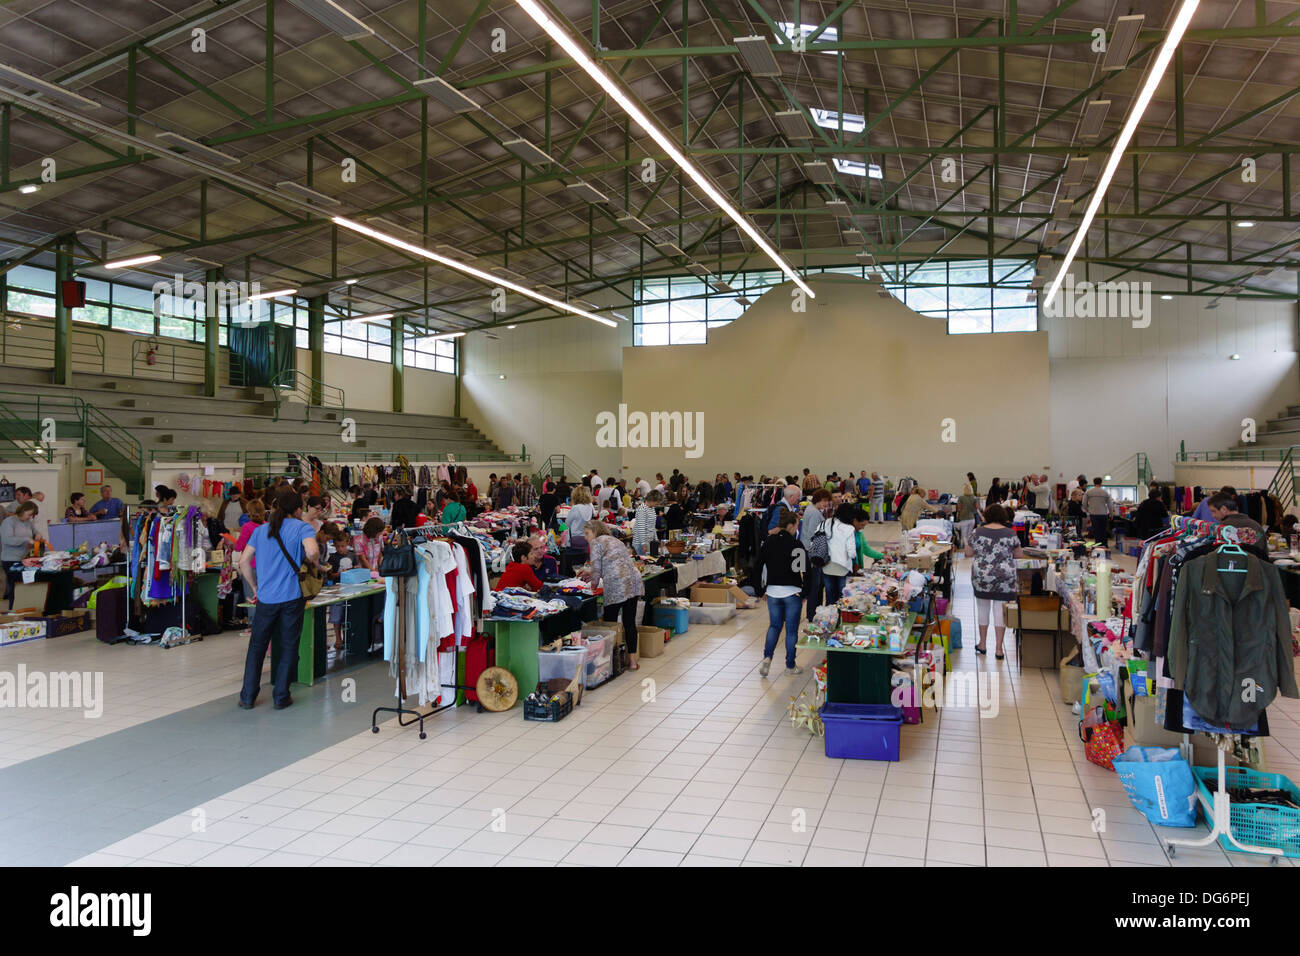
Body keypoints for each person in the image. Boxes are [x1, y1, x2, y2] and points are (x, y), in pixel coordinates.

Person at [237, 490, 319, 710]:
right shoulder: (302, 527)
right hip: (292, 598)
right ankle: (281, 696)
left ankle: (247, 696)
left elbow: (243, 561)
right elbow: (312, 551)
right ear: (298, 509)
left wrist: (255, 586)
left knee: (257, 647)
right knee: (289, 645)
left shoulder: (261, 530)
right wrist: (314, 562)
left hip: (266, 599)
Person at [581, 520, 645, 669]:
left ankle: (609, 663)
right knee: (629, 622)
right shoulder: (616, 540)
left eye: (587, 533)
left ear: (595, 531)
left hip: (617, 584)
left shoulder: (596, 542)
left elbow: (597, 567)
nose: (585, 537)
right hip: (633, 581)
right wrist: (591, 574)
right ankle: (633, 661)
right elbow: (614, 562)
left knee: (610, 624)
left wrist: (592, 585)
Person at [963, 504, 1023, 660]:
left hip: (982, 576)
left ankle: (982, 644)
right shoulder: (1010, 533)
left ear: (987, 515)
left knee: (983, 609)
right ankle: (998, 649)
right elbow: (1019, 555)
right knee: (999, 611)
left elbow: (968, 553)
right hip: (1004, 577)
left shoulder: (977, 532)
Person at [755, 508, 806, 678]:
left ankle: (767, 658)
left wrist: (760, 590)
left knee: (774, 626)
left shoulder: (769, 542)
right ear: (790, 526)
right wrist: (805, 592)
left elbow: (757, 567)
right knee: (791, 631)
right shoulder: (796, 544)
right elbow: (804, 570)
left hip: (772, 592)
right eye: (796, 525)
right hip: (793, 592)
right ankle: (790, 666)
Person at [318, 522, 353, 653]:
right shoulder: (332, 557)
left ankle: (345, 638)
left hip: (349, 589)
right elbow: (330, 575)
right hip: (336, 590)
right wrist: (337, 573)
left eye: (343, 546)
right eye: (337, 546)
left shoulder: (351, 555)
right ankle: (338, 638)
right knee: (336, 615)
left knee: (346, 615)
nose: (340, 549)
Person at [2, 501, 42, 609]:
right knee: (15, 588)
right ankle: (13, 610)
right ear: (23, 511)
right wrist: (26, 540)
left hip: (25, 559)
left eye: (32, 516)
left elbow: (36, 532)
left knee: (26, 587)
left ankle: (27, 609)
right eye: (29, 514)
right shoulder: (9, 522)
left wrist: (38, 535)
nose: (30, 517)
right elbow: (7, 540)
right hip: (10, 560)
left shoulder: (28, 523)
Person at [800, 490, 831, 622]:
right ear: (818, 499)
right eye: (824, 501)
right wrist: (815, 556)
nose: (826, 504)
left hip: (809, 552)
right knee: (814, 585)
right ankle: (812, 614)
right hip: (812, 553)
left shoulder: (811, 510)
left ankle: (813, 612)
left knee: (815, 584)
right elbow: (813, 535)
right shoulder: (814, 512)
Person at [822, 503, 859, 606]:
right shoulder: (849, 528)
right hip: (843, 567)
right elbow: (851, 553)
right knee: (844, 597)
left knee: (830, 596)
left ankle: (830, 617)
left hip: (826, 565)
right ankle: (841, 619)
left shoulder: (826, 523)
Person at [1083, 477, 1114, 544]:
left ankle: (1098, 546)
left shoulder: (1088, 492)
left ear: (1094, 483)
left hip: (1093, 514)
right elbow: (1110, 505)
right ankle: (1105, 545)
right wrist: (1111, 514)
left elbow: (1084, 503)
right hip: (1103, 514)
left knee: (1096, 531)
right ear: (1101, 483)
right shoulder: (1105, 492)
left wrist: (1087, 510)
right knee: (1103, 530)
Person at [566, 486, 595, 554]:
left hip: (574, 539)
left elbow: (567, 523)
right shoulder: (590, 507)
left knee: (572, 560)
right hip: (587, 538)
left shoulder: (575, 508)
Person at [632, 490, 661, 556]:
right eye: (657, 502)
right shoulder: (642, 509)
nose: (658, 504)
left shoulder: (652, 508)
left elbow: (653, 526)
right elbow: (641, 528)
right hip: (640, 542)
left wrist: (656, 539)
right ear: (652, 500)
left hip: (649, 541)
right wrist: (643, 544)